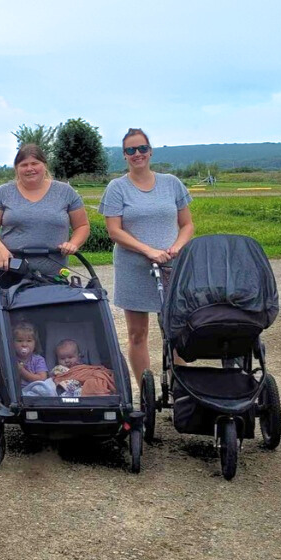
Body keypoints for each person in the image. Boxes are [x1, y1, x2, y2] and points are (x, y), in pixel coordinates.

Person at [98, 128, 194, 386]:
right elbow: (115, 231)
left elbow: (187, 224)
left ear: (150, 151)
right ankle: (147, 392)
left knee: (176, 331)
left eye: (142, 148)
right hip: (134, 268)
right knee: (137, 334)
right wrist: (148, 250)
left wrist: (177, 246)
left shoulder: (171, 183)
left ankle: (180, 388)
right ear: (124, 155)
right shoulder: (117, 188)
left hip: (171, 266)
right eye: (131, 150)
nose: (137, 154)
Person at [0, 144, 90, 282]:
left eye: (34, 163)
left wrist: (73, 244)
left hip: (55, 274)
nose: (29, 169)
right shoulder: (2, 193)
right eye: (24, 165)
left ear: (44, 165)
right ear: (16, 168)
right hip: (10, 270)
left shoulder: (66, 192)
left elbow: (82, 226)